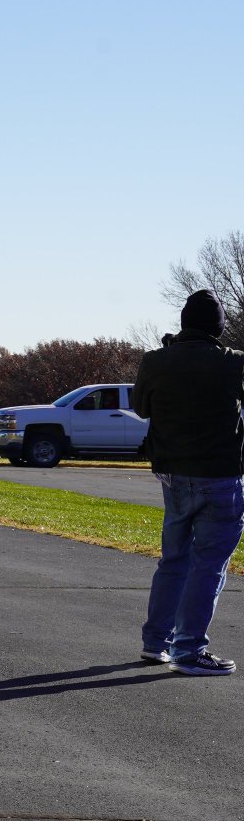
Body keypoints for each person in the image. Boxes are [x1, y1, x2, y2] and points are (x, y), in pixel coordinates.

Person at [132, 289, 244, 676]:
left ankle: (156, 642)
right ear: (218, 327)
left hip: (173, 474)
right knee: (209, 564)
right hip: (221, 475)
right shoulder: (232, 363)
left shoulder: (155, 361)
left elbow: (141, 407)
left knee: (174, 559)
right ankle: (189, 649)